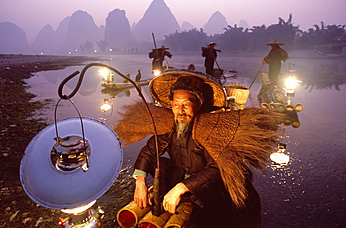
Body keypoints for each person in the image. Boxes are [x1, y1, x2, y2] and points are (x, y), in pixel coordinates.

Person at [114, 69, 279, 227]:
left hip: (209, 188)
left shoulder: (212, 129)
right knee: (159, 167)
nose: (181, 110)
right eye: (176, 104)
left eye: (186, 103)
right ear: (171, 104)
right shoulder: (170, 125)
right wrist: (140, 181)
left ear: (199, 104)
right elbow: (149, 152)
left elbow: (217, 168)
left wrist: (182, 187)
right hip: (180, 176)